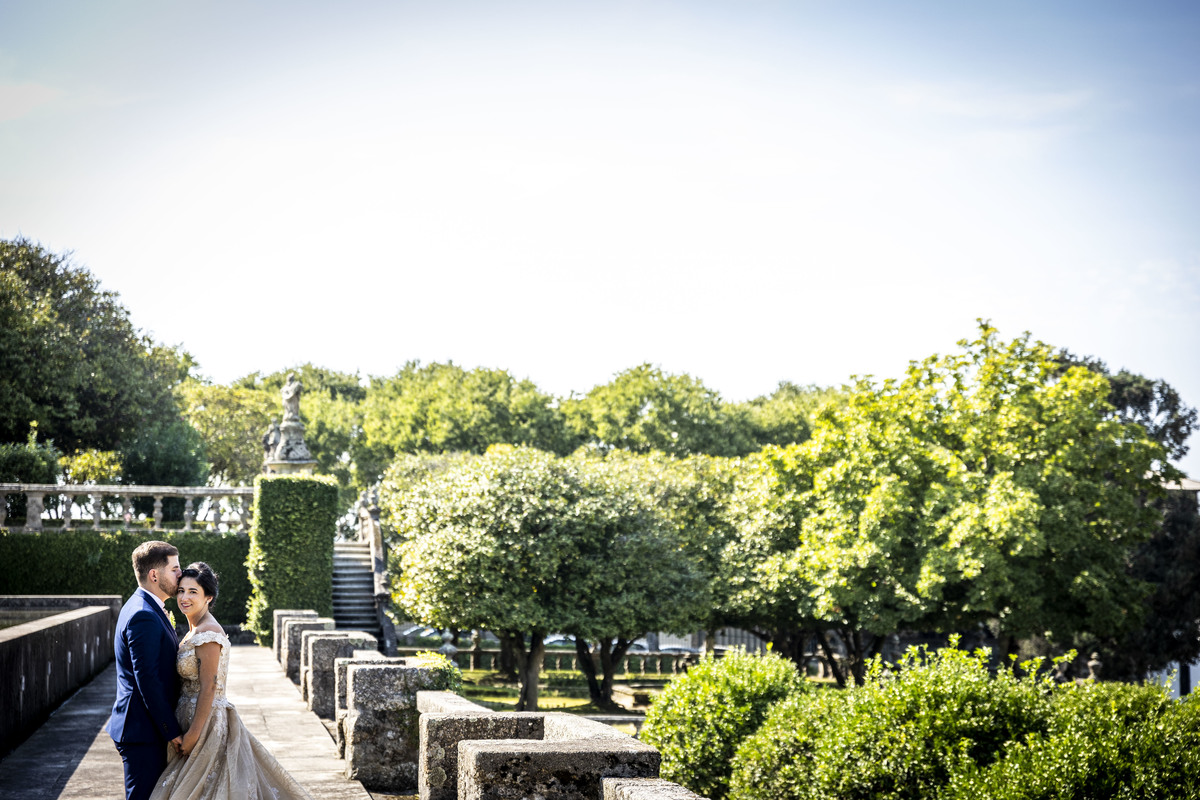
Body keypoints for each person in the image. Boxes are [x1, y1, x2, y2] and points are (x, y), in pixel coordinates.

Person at [149, 562, 313, 800]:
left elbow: (209, 687)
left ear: (208, 597)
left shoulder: (208, 633)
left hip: (205, 724)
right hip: (187, 716)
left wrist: (194, 734)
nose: (184, 597)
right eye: (181, 590)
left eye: (193, 592)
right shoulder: (194, 629)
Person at [108, 541, 185, 800]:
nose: (181, 574)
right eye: (174, 569)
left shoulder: (142, 605)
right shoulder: (143, 615)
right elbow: (147, 679)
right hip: (142, 730)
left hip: (143, 726)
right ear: (154, 575)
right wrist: (171, 729)